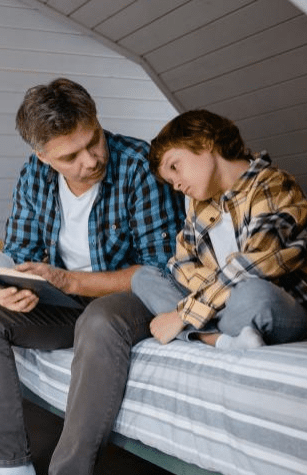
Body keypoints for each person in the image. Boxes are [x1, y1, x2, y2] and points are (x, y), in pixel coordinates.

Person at [0, 78, 185, 475]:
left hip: (131, 296)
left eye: (93, 141)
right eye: (71, 155)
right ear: (43, 156)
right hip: (62, 300)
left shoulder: (138, 165)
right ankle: (10, 466)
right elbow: (21, 252)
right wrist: (11, 288)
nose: (91, 159)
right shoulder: (34, 175)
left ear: (97, 121)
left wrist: (72, 281)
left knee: (98, 321)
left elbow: (162, 270)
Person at [131, 109, 307, 349]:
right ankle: (215, 339)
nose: (178, 185)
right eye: (171, 183)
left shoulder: (271, 184)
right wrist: (216, 293)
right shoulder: (199, 205)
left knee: (252, 292)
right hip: (224, 306)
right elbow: (179, 264)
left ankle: (200, 334)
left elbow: (255, 264)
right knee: (143, 277)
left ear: (204, 142)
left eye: (175, 167)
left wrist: (183, 314)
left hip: (276, 304)